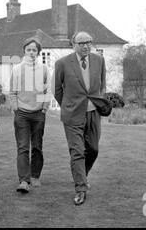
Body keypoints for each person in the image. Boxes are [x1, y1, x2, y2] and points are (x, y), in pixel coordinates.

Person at [53, 31, 106, 205]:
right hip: (72, 115)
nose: (85, 46)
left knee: (93, 149)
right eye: (81, 43)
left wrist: (100, 103)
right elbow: (57, 90)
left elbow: (102, 86)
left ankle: (82, 174)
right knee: (77, 152)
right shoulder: (62, 63)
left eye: (88, 42)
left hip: (93, 113)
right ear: (73, 44)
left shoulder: (99, 60)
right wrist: (68, 106)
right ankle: (81, 188)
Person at [10, 37, 51, 193]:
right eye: (29, 50)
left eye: (34, 50)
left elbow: (47, 91)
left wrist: (44, 108)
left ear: (38, 52)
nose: (32, 52)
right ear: (24, 51)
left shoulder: (44, 69)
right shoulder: (17, 69)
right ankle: (24, 181)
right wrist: (16, 108)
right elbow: (13, 92)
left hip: (38, 114)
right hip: (22, 114)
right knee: (22, 147)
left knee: (37, 147)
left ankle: (34, 176)